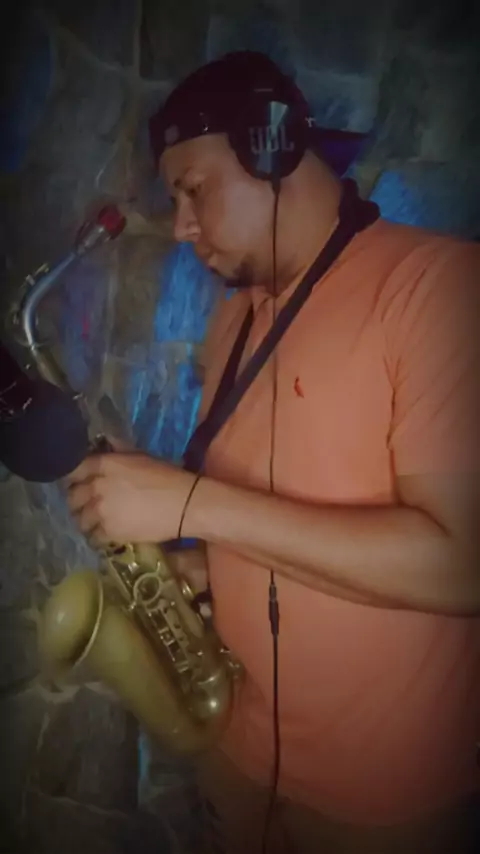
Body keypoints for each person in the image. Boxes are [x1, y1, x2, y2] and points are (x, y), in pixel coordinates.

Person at [65, 52, 480, 853]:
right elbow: (275, 511)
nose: (181, 227)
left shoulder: (439, 287)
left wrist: (188, 504)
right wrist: (206, 566)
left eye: (193, 190)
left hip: (386, 802)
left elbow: (463, 563)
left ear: (273, 148)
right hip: (239, 761)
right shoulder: (236, 317)